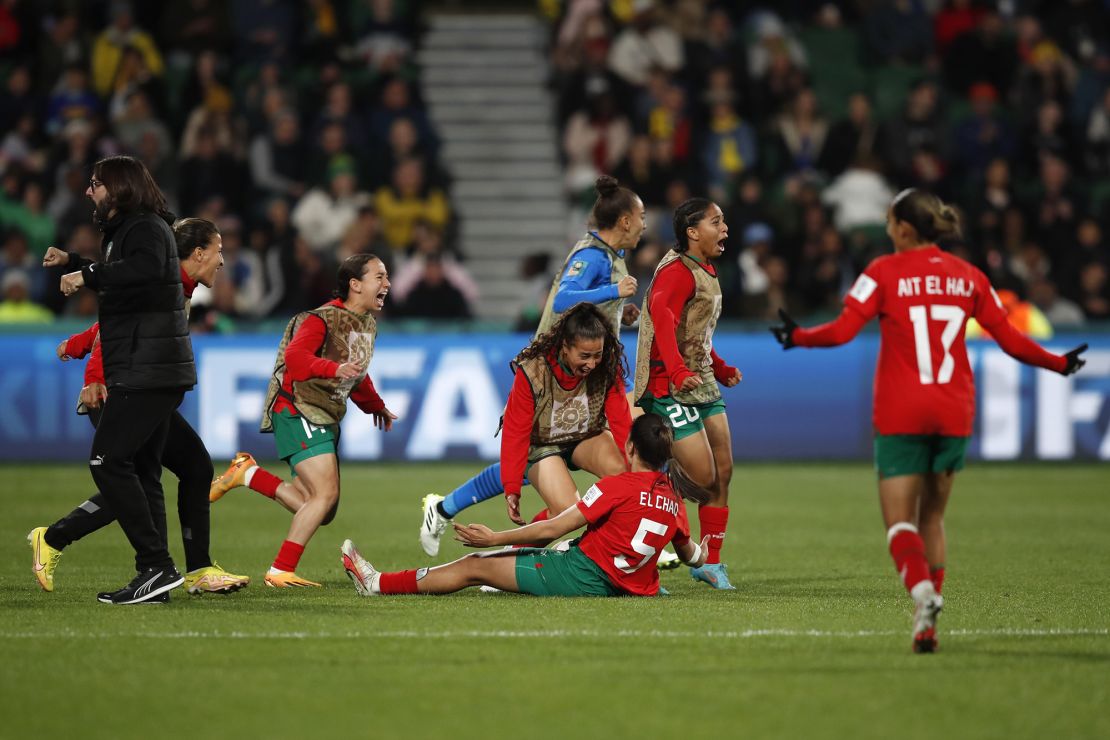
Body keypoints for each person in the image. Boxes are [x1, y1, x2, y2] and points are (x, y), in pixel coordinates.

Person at [770, 188, 1087, 653]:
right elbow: (1011, 339)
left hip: (902, 410)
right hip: (954, 408)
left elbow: (841, 331)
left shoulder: (881, 272)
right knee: (933, 517)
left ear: (903, 229)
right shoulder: (970, 277)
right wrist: (1058, 365)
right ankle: (929, 626)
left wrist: (798, 336)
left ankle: (922, 594)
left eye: (889, 223)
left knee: (899, 523)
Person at [418, 176, 647, 558]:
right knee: (540, 463)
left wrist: (618, 312)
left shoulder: (611, 257)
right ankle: (474, 529)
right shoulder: (591, 256)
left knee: (584, 477)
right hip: (553, 376)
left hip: (582, 374)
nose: (644, 223)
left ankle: (445, 510)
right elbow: (564, 300)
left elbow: (582, 313)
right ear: (624, 221)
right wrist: (613, 293)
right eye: (640, 216)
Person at [28, 218, 249, 596]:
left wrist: (73, 268)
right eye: (219, 251)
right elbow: (117, 321)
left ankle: (195, 571)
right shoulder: (167, 280)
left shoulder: (181, 280)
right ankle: (59, 540)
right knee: (138, 485)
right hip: (119, 392)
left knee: (193, 468)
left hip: (145, 390)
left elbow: (116, 308)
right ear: (197, 253)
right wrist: (95, 376)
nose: (223, 261)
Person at [42, 155, 196, 605]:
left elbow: (146, 272)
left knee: (108, 462)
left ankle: (156, 566)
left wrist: (86, 273)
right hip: (150, 365)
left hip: (149, 368)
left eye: (96, 183)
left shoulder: (145, 227)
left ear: (120, 187)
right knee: (144, 471)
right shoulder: (132, 229)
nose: (89, 191)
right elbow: (134, 273)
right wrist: (76, 260)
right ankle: (155, 577)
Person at [341, 413, 711, 597]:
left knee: (474, 566)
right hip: (627, 584)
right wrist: (702, 558)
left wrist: (493, 538)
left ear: (629, 447)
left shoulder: (615, 486)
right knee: (567, 538)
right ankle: (509, 572)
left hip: (581, 576)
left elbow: (554, 527)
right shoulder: (675, 501)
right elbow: (690, 553)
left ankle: (376, 583)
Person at [211, 253, 397, 587]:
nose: (387, 284)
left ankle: (249, 474)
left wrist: (376, 406)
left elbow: (357, 374)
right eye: (379, 277)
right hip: (299, 408)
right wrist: (333, 369)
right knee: (324, 495)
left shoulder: (367, 325)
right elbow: (296, 360)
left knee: (320, 510)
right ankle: (281, 569)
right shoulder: (321, 319)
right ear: (355, 284)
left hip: (322, 415)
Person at [633, 197, 742, 590]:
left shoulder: (705, 269)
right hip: (669, 385)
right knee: (701, 476)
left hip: (702, 380)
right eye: (717, 221)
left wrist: (721, 364)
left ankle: (710, 563)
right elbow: (661, 316)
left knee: (723, 473)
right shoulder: (677, 272)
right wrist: (677, 370)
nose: (725, 228)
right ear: (692, 233)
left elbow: (692, 332)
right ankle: (644, 499)